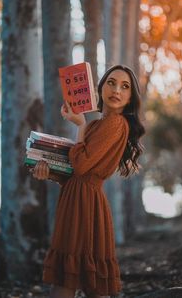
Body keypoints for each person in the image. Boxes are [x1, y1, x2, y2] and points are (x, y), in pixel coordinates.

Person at [33, 65, 145, 298]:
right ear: (101, 87)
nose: (116, 90)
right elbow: (76, 173)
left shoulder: (115, 123)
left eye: (125, 87)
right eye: (111, 83)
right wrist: (50, 173)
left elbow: (82, 165)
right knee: (84, 281)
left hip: (85, 204)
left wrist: (80, 125)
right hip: (77, 198)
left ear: (131, 97)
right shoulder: (98, 124)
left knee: (67, 281)